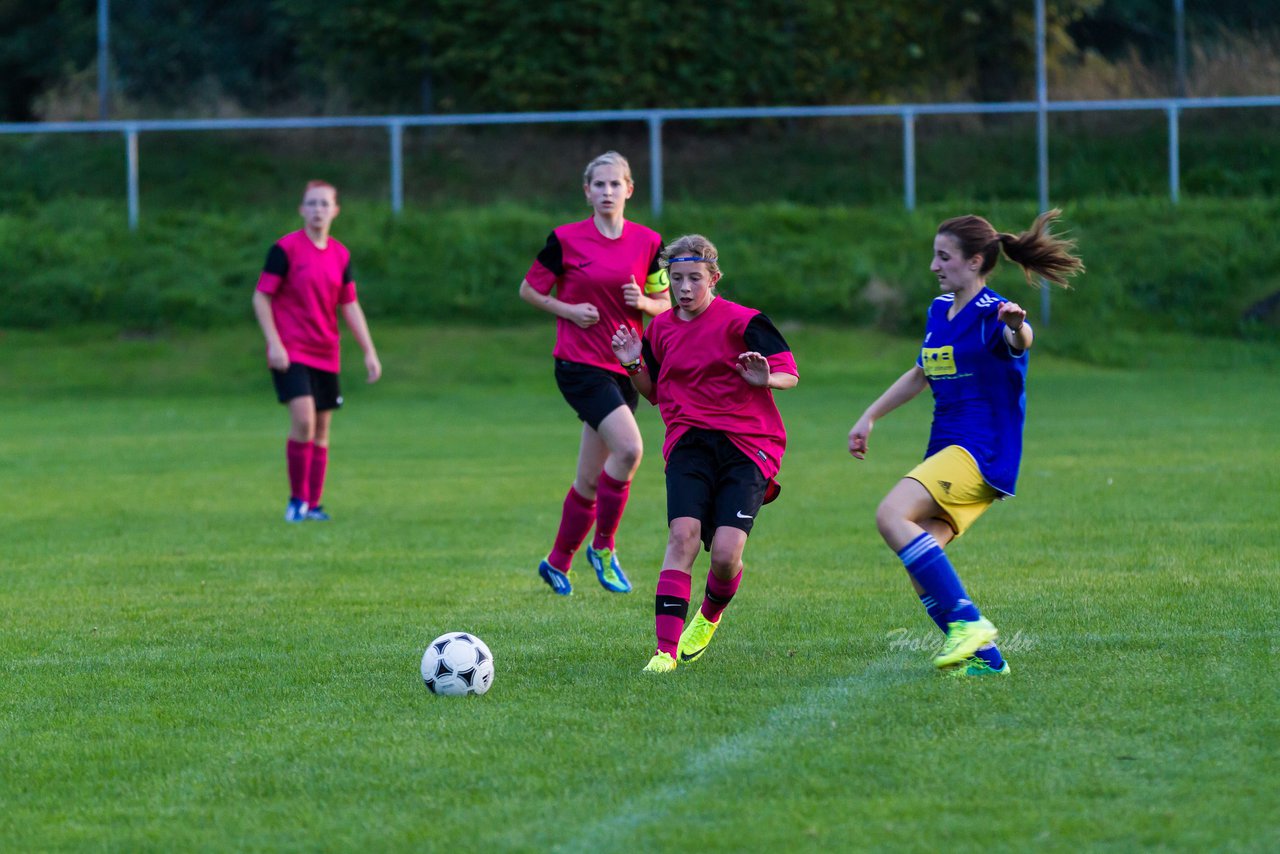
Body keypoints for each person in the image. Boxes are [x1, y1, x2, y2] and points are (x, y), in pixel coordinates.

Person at [848, 209, 1083, 676]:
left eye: (944, 257)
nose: (934, 266)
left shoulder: (993, 312)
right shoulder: (940, 310)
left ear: (975, 262)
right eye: (934, 256)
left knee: (890, 515)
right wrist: (870, 416)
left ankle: (969, 624)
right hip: (947, 452)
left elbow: (1021, 339)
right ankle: (989, 662)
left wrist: (1017, 324)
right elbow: (921, 372)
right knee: (921, 572)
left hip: (980, 452)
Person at [611, 234, 799, 674]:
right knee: (682, 538)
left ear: (713, 278)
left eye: (695, 278)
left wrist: (765, 380)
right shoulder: (659, 328)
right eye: (677, 279)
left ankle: (710, 616)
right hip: (688, 444)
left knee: (725, 555)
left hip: (747, 446)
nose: (685, 287)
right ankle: (664, 652)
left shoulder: (746, 322)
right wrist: (632, 363)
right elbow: (654, 394)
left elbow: (791, 375)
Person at [519, 151, 670, 596]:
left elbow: (666, 303)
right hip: (579, 366)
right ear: (587, 191)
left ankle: (557, 561)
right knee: (630, 449)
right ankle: (603, 548)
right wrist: (567, 309)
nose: (607, 192)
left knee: (590, 477)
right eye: (598, 185)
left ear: (629, 189)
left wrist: (643, 303)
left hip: (625, 366)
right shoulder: (565, 239)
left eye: (614, 184)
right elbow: (529, 289)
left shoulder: (648, 241)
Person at [252, 180, 382, 523]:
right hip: (292, 350)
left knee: (322, 430)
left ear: (336, 210)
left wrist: (369, 351)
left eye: (325, 204)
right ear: (301, 209)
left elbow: (349, 304)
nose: (318, 210)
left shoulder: (340, 255)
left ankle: (313, 504)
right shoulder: (285, 250)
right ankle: (296, 502)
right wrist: (274, 342)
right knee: (304, 420)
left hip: (326, 351)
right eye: (311, 203)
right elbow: (261, 296)